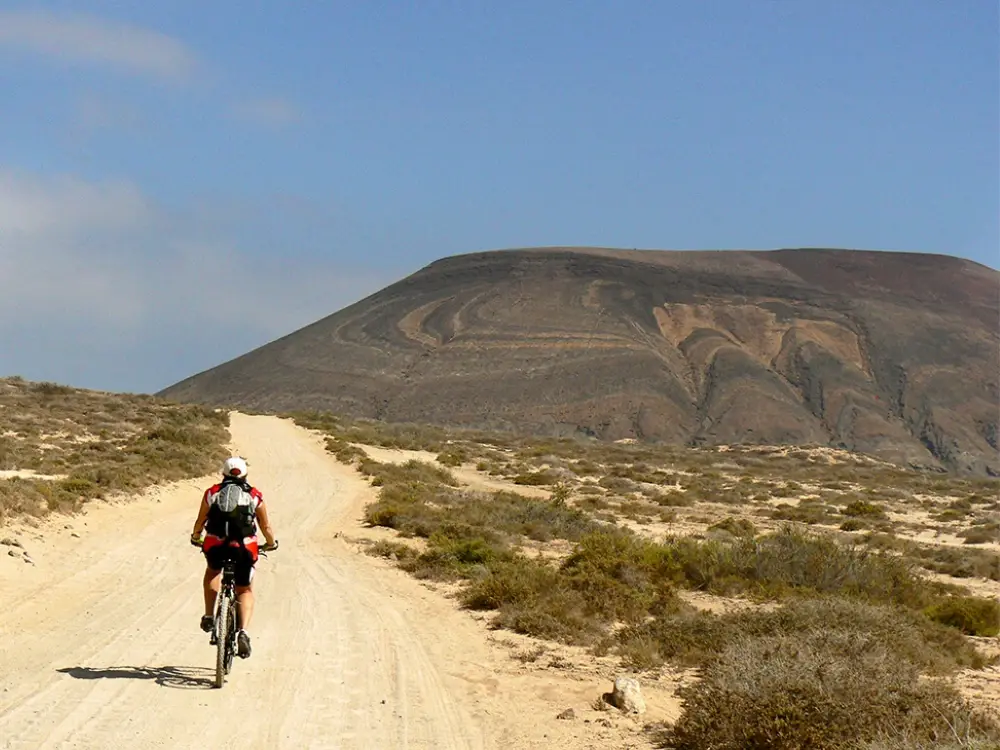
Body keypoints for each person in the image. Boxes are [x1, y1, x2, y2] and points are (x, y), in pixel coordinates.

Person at [190, 456, 278, 659]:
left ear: (224, 474)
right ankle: (243, 632)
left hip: (215, 545)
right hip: (244, 548)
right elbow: (265, 527)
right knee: (244, 589)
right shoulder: (254, 495)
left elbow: (201, 519)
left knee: (213, 572)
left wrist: (196, 536)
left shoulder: (212, 492)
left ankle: (209, 615)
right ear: (245, 474)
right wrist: (271, 543)